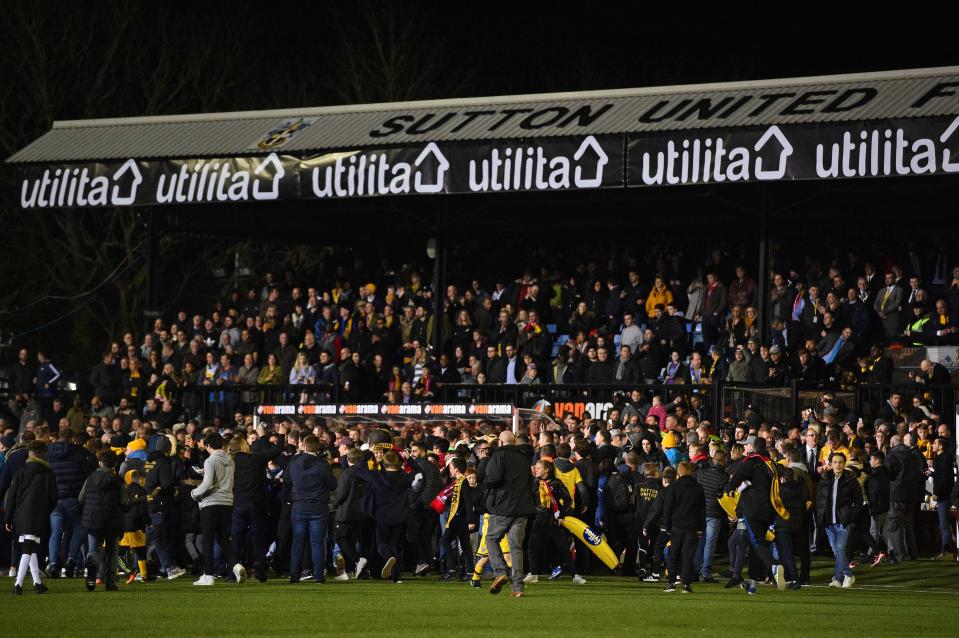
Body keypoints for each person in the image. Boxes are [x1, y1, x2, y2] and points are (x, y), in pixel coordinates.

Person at [725, 436, 787, 593]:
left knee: (756, 541)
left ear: (753, 447)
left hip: (752, 507)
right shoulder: (771, 463)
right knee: (754, 545)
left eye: (747, 446)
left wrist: (730, 487)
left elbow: (738, 475)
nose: (745, 448)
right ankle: (752, 583)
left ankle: (774, 567)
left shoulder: (752, 461)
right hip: (768, 509)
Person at [480, 430, 536, 597]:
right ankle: (518, 588)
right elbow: (530, 482)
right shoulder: (524, 458)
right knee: (516, 547)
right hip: (523, 507)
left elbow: (493, 479)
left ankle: (500, 572)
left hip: (503, 507)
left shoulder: (499, 456)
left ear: (501, 443)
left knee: (491, 538)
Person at [190, 432, 246, 586]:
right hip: (227, 503)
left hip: (211, 503)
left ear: (208, 446)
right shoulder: (230, 460)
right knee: (222, 538)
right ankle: (235, 565)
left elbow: (207, 483)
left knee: (207, 540)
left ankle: (208, 575)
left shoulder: (210, 460)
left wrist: (194, 493)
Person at [3, 441, 57, 595]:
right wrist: (44, 511)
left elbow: (11, 496)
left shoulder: (21, 472)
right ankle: (26, 584)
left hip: (21, 515)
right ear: (43, 454)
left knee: (28, 547)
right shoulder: (49, 474)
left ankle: (28, 584)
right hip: (38, 515)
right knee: (29, 547)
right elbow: (54, 499)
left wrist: (8, 517)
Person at [356, 450, 417, 583]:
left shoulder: (379, 477)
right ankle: (396, 576)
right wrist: (409, 460)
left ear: (384, 463)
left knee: (382, 545)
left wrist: (368, 454)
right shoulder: (405, 478)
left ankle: (389, 557)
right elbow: (420, 474)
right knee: (394, 544)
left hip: (383, 515)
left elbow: (359, 468)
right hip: (401, 516)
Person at [286, 435, 337, 584]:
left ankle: (294, 576)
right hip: (318, 507)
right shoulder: (322, 465)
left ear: (304, 446)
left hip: (300, 505)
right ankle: (319, 576)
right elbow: (332, 485)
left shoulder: (294, 461)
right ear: (317, 447)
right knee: (317, 543)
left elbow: (288, 479)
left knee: (297, 542)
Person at [524, 459, 583, 585]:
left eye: (539, 468)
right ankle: (533, 574)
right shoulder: (535, 483)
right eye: (536, 468)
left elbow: (568, 500)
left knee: (563, 547)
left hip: (553, 521)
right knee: (532, 547)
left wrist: (561, 516)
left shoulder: (556, 483)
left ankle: (575, 575)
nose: (536, 470)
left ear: (547, 469)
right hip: (538, 521)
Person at [79, 450, 126, 592]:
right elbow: (124, 502)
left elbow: (81, 498)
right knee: (112, 551)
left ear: (100, 462)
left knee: (94, 549)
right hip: (113, 520)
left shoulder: (91, 478)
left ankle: (92, 572)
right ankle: (110, 583)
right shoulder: (119, 481)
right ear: (114, 464)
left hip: (93, 519)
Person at [816, 452, 863, 588]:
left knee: (841, 550)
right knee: (836, 551)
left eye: (840, 462)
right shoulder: (824, 479)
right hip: (828, 522)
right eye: (835, 462)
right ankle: (844, 575)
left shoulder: (851, 480)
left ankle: (841, 577)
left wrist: (851, 517)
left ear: (844, 463)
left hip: (844, 521)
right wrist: (821, 517)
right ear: (830, 464)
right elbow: (819, 499)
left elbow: (859, 502)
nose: (837, 465)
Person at [662, 461, 705, 594]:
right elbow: (702, 509)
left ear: (679, 472)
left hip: (676, 526)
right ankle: (686, 584)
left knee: (674, 554)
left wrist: (666, 525)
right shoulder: (698, 487)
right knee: (688, 556)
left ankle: (671, 583)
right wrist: (701, 527)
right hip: (692, 526)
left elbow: (668, 508)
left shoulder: (674, 487)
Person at [333, 447, 369, 580]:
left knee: (340, 538)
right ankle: (349, 571)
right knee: (351, 541)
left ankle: (357, 560)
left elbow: (341, 494)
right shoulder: (365, 473)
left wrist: (334, 504)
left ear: (348, 459)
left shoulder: (347, 474)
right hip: (361, 512)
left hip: (346, 512)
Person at [440, 457, 475, 581]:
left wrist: (471, 520)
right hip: (460, 518)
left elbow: (468, 502)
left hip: (458, 518)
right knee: (465, 545)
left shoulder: (462, 482)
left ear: (456, 469)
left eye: (450, 468)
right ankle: (470, 572)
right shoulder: (459, 482)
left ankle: (451, 570)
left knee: (445, 541)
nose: (449, 470)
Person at [121, 469, 150, 584]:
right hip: (136, 526)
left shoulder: (124, 489)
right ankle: (144, 575)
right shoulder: (142, 491)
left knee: (121, 551)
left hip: (123, 526)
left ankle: (124, 571)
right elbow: (143, 511)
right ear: (140, 479)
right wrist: (148, 522)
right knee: (141, 551)